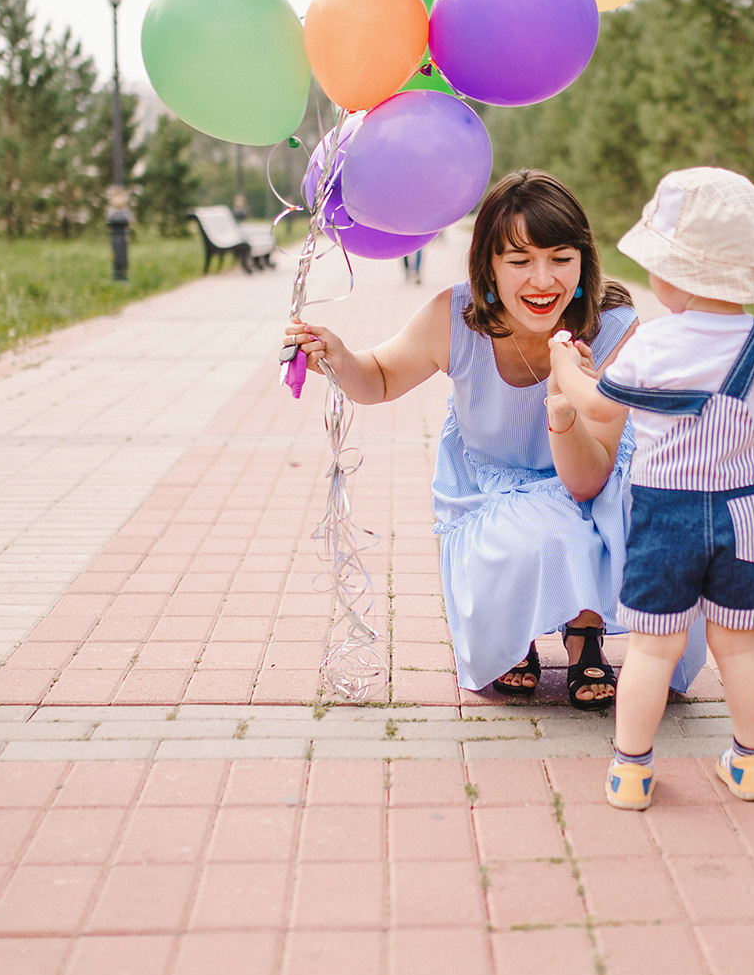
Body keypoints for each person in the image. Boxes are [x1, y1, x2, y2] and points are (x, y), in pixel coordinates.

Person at [284, 171, 706, 705]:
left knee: (648, 522)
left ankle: (584, 636)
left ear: (583, 261)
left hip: (592, 476)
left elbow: (589, 480)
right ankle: (514, 633)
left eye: (560, 258)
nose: (542, 280)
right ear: (489, 264)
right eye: (520, 261)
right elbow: (382, 378)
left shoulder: (613, 326)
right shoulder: (454, 317)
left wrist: (563, 407)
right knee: (547, 530)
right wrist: (340, 357)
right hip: (494, 487)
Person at [548, 167, 754, 809]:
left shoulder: (657, 344)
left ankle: (631, 772)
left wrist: (564, 365)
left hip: (665, 515)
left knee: (652, 647)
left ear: (679, 276)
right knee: (740, 647)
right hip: (747, 513)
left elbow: (598, 405)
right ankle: (752, 765)